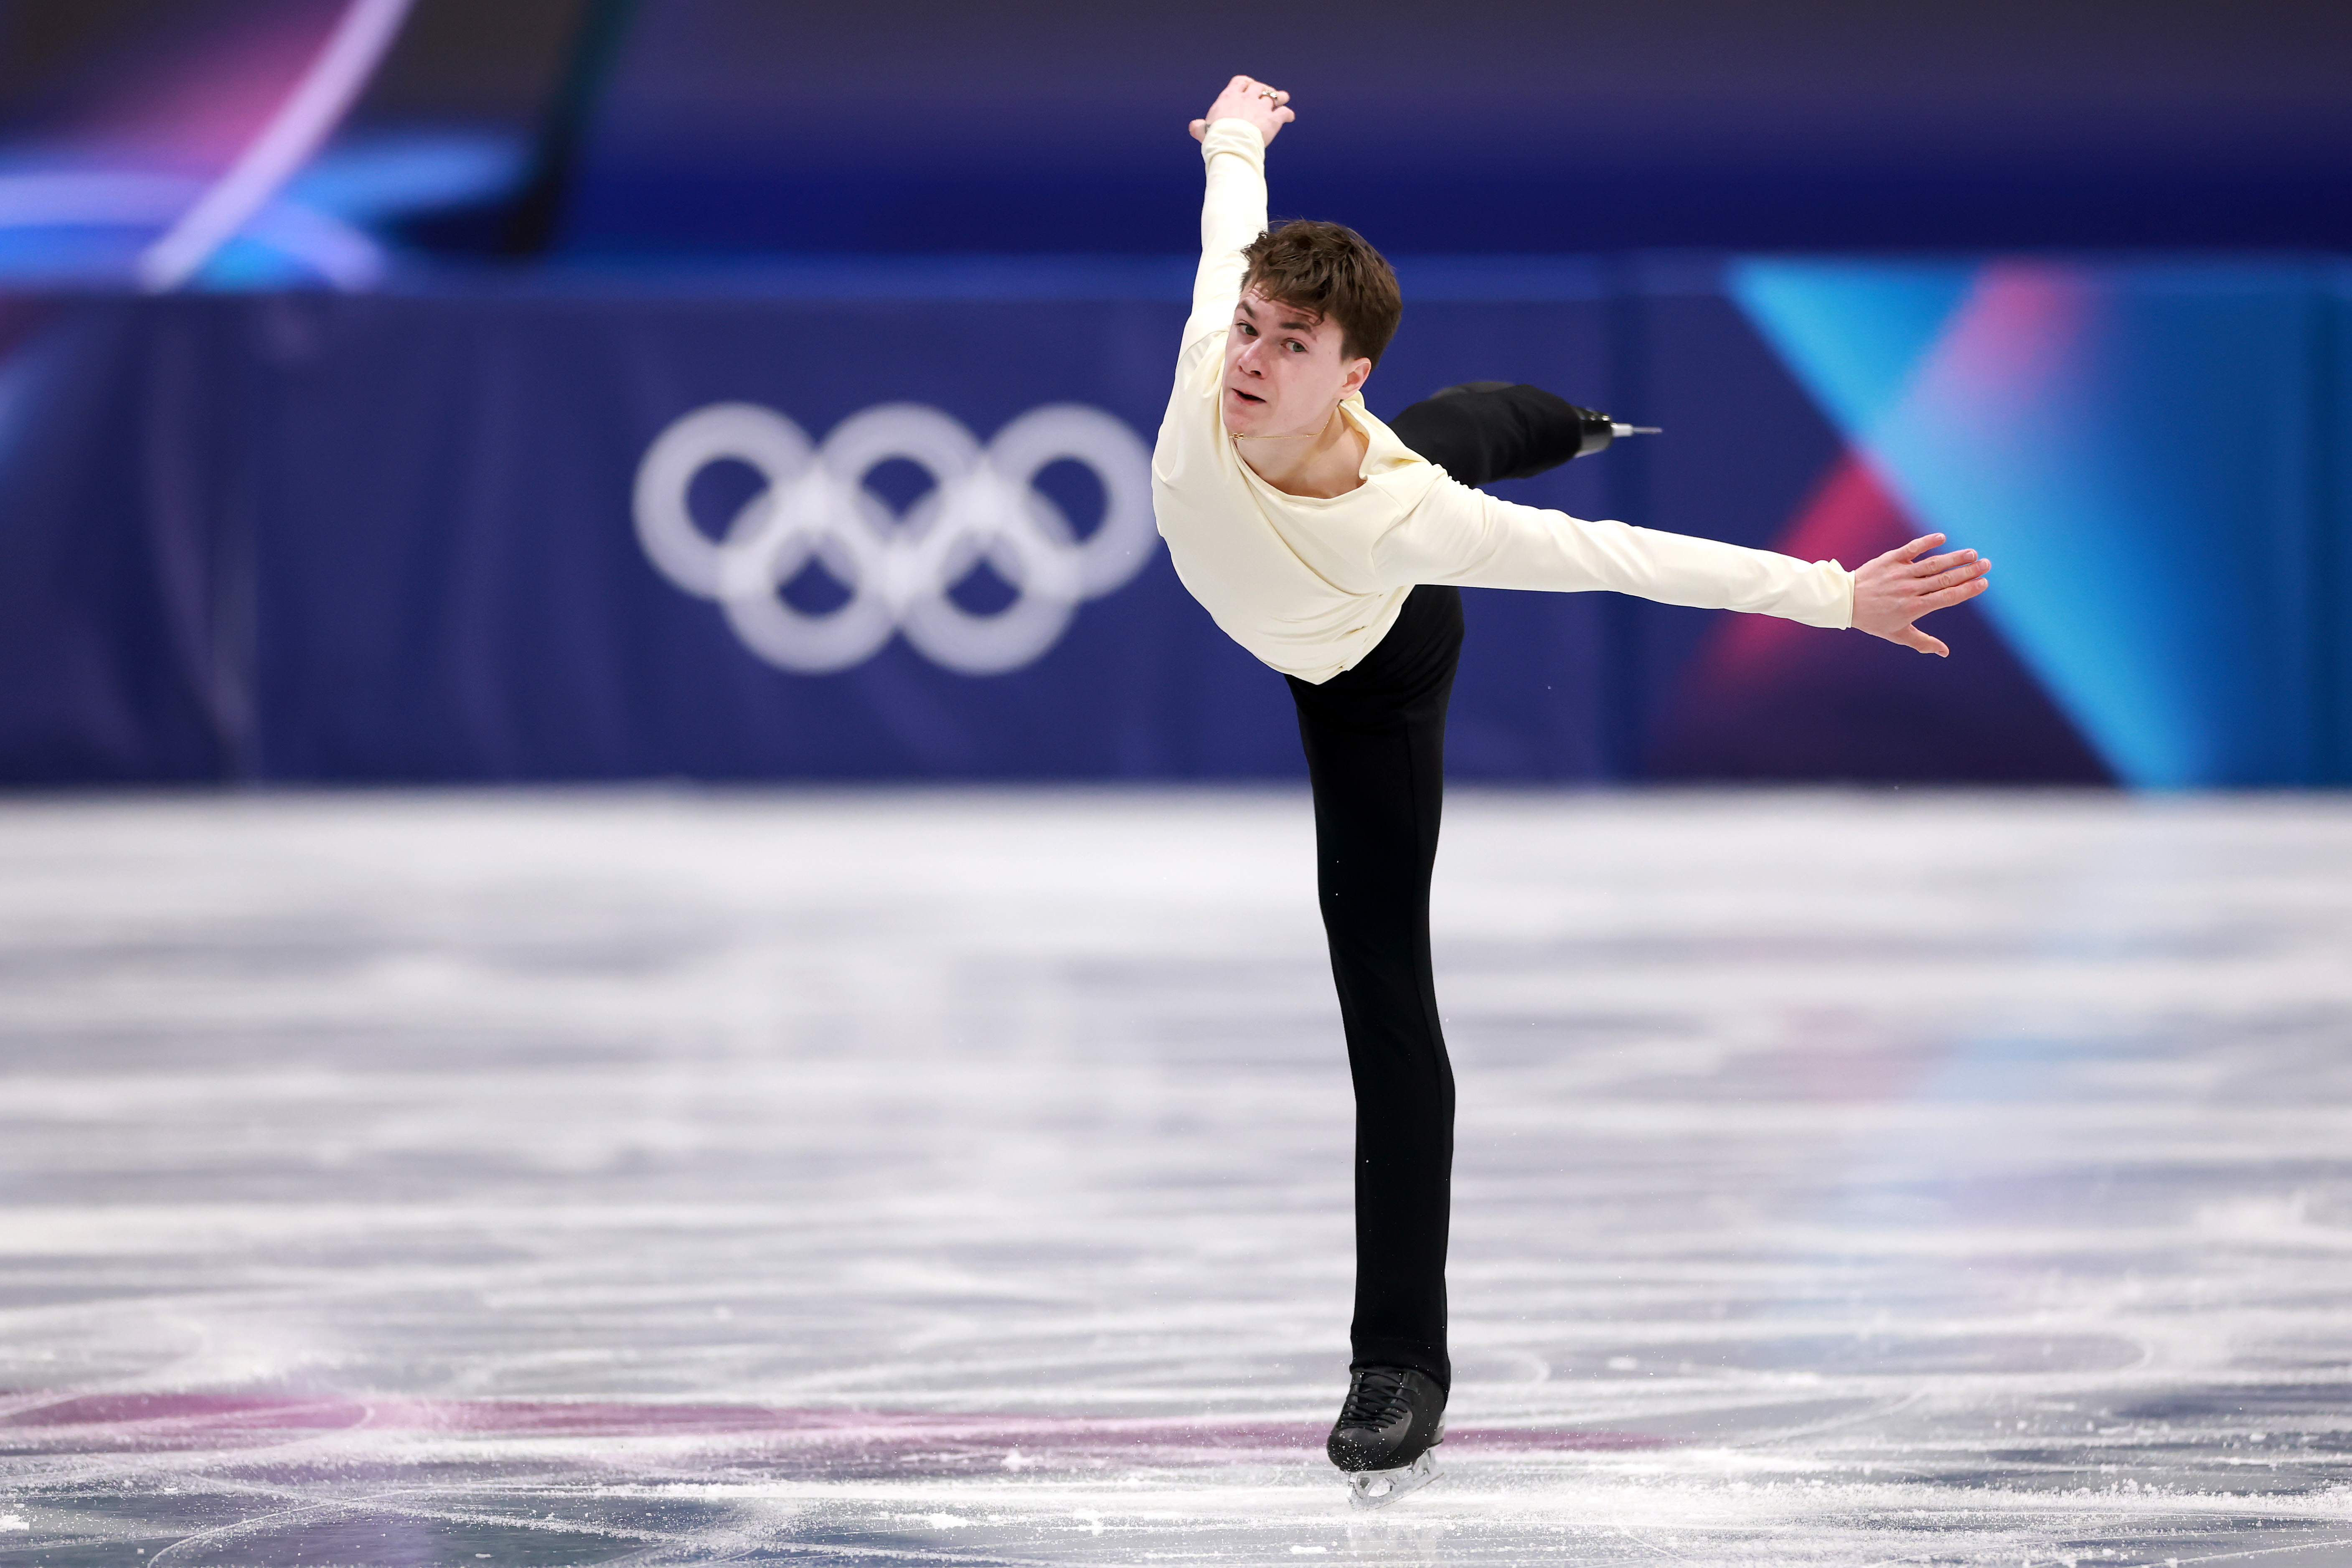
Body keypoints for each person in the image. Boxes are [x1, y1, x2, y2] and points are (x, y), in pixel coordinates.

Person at [1150, 74, 1991, 1502]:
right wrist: (1238, 133)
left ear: (1344, 368)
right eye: (1252, 328)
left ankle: (1400, 1363)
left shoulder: (1405, 516)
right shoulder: (1209, 358)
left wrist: (1835, 595)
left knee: (1385, 997)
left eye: (1294, 342)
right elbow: (1233, 227)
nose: (1253, 355)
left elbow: (1622, 562)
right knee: (1466, 424)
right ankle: (1567, 416)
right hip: (1338, 553)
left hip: (1376, 672)